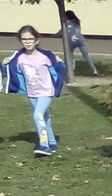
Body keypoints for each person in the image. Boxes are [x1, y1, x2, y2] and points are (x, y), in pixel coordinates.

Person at [4, 25, 66, 157]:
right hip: (32, 93)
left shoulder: (45, 56)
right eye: (24, 39)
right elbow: (12, 71)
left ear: (37, 40)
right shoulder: (19, 57)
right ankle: (52, 142)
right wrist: (5, 64)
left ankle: (44, 145)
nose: (27, 42)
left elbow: (59, 68)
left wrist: (61, 63)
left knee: (37, 115)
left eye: (30, 39)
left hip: (46, 91)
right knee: (44, 117)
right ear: (20, 41)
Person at [58, 10, 98, 76]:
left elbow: (62, 31)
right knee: (86, 55)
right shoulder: (77, 22)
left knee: (70, 55)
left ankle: (72, 68)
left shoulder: (66, 23)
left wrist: (54, 35)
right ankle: (94, 69)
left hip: (71, 41)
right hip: (80, 40)